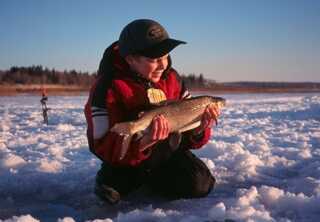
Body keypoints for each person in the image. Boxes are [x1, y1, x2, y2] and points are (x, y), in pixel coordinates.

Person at [84, 19, 221, 204]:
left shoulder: (173, 79)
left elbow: (186, 137)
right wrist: (145, 142)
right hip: (125, 162)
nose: (163, 65)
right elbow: (101, 145)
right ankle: (117, 179)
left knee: (201, 184)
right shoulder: (107, 87)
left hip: (166, 156)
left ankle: (154, 180)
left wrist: (199, 129)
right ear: (130, 59)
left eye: (165, 56)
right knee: (111, 193)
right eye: (153, 59)